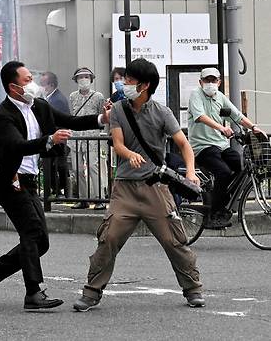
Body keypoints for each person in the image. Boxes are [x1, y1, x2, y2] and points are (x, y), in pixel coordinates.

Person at [0, 61, 109, 310]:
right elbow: (17, 145)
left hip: (28, 181)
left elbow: (70, 121)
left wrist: (102, 118)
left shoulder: (38, 106)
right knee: (31, 234)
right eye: (27, 80)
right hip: (8, 181)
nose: (32, 83)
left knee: (41, 242)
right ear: (13, 87)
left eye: (31, 77)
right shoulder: (4, 115)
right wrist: (48, 140)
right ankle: (33, 293)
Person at [73, 58, 204, 312]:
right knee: (108, 237)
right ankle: (91, 292)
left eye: (130, 80)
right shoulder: (119, 109)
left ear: (144, 86)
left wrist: (190, 171)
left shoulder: (162, 112)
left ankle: (193, 289)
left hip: (155, 187)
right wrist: (128, 154)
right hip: (125, 189)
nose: (125, 83)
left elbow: (184, 145)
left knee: (174, 240)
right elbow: (118, 142)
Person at [187, 67, 265, 229]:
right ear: (200, 82)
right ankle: (213, 214)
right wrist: (221, 128)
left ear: (219, 82)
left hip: (221, 146)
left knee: (241, 165)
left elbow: (237, 115)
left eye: (213, 80)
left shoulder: (220, 97)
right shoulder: (196, 94)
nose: (210, 83)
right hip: (202, 147)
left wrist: (254, 127)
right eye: (207, 80)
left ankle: (222, 199)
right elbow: (200, 117)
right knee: (223, 172)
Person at [69, 67, 106, 210]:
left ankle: (99, 198)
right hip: (76, 136)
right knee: (77, 169)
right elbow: (72, 114)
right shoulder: (72, 96)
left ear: (91, 79)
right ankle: (82, 198)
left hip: (92, 137)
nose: (83, 79)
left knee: (93, 167)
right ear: (76, 80)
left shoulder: (98, 96)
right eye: (80, 77)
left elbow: (101, 116)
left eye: (86, 77)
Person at [40, 72, 70, 198]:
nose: (41, 86)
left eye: (43, 84)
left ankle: (61, 190)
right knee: (51, 165)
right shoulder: (50, 98)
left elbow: (59, 120)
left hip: (58, 138)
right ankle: (54, 190)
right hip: (53, 137)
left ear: (51, 85)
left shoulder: (58, 100)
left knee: (58, 164)